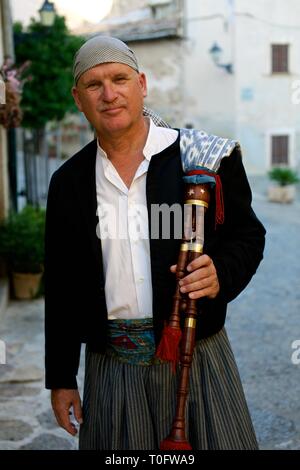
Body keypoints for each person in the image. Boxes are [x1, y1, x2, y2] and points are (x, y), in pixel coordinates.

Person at [45, 35, 266, 450]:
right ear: (78, 98)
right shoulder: (68, 183)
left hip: (197, 358)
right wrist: (60, 378)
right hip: (112, 369)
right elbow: (61, 284)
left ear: (142, 84)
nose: (109, 94)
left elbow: (248, 235)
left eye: (119, 79)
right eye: (94, 85)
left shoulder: (204, 160)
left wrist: (221, 272)